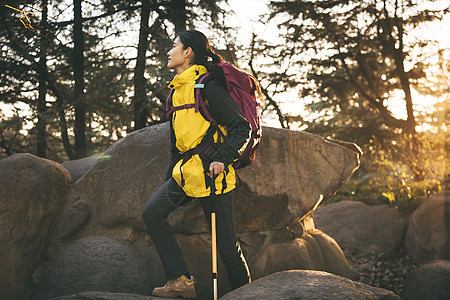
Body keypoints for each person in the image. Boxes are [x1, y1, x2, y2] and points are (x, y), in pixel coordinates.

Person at [142, 30, 252, 299]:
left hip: (213, 175)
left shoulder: (207, 87)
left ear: (188, 51)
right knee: (152, 213)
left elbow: (241, 127)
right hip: (185, 175)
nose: (169, 51)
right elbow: (177, 141)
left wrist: (222, 159)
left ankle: (248, 293)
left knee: (226, 247)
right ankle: (180, 280)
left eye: (174, 46)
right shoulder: (175, 92)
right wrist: (171, 173)